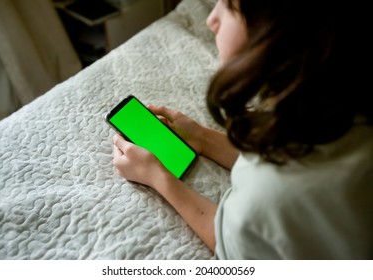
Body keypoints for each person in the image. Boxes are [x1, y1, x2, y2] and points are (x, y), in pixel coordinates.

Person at [113, 0, 373, 259]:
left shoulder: (275, 188)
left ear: (278, 29)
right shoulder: (334, 100)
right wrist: (201, 137)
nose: (211, 19)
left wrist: (157, 176)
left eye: (227, 5)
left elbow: (229, 243)